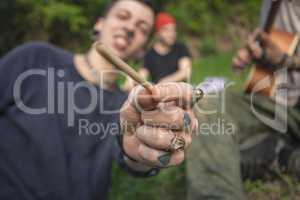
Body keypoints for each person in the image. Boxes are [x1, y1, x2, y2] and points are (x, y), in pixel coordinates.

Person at [0, 1, 198, 199]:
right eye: (122, 16)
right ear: (99, 24)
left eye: (142, 28)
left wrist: (145, 150)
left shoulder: (129, 107)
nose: (129, 28)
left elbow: (130, 156)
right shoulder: (35, 58)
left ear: (141, 50)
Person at [187, 0, 300, 199]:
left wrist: (286, 60)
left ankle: (282, 156)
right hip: (277, 102)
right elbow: (279, 44)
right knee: (208, 106)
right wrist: (254, 54)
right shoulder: (269, 4)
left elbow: (284, 56)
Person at [122, 12, 192, 91]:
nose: (172, 34)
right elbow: (142, 76)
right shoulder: (149, 54)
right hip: (160, 95)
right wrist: (132, 81)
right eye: (167, 30)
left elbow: (185, 73)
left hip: (179, 92)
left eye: (173, 30)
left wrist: (164, 82)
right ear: (158, 33)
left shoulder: (180, 48)